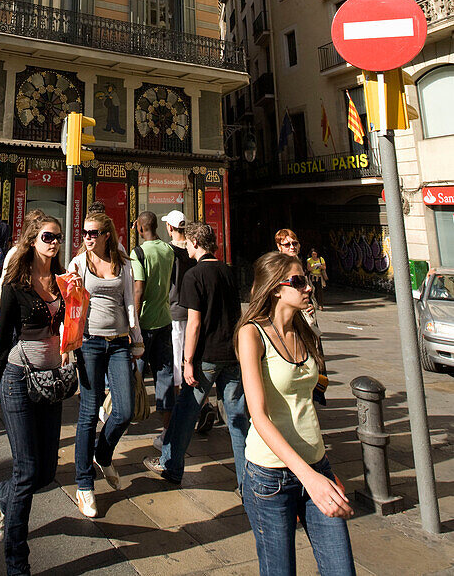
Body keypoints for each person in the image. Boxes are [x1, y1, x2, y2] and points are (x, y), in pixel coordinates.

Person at [236, 252, 356, 576]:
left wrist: (322, 469)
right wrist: (309, 478)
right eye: (299, 282)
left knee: (342, 569)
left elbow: (309, 401)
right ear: (275, 288)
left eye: (307, 281)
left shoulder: (304, 328)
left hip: (317, 466)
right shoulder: (252, 334)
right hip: (270, 477)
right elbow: (258, 416)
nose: (308, 288)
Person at [0, 215, 69, 576]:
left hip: (50, 378)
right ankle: (17, 562)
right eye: (48, 236)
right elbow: (1, 340)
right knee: (28, 468)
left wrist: (79, 298)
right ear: (33, 240)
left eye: (59, 237)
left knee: (46, 472)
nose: (54, 242)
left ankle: (5, 493)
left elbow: (73, 324)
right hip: (18, 377)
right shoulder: (17, 283)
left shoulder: (63, 281)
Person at [144, 222, 248, 491]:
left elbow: (194, 323)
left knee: (185, 413)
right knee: (237, 421)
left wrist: (188, 360)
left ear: (194, 242)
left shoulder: (194, 275)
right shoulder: (227, 271)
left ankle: (170, 464)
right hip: (232, 354)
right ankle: (248, 483)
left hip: (206, 357)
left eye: (188, 243)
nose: (186, 247)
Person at [67, 204, 143, 518]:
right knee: (88, 412)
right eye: (83, 233)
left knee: (124, 411)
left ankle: (104, 453)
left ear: (106, 235)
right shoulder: (78, 263)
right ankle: (84, 483)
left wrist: (136, 339)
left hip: (119, 343)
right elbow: (70, 307)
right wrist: (68, 343)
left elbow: (128, 301)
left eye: (92, 233)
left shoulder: (122, 262)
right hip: (89, 343)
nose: (86, 237)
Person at [131, 211, 175, 444]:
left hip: (145, 322)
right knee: (164, 373)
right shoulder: (168, 250)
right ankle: (167, 427)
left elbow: (138, 289)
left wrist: (133, 322)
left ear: (139, 227)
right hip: (164, 319)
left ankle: (124, 415)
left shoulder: (138, 253)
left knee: (134, 371)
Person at [162, 210, 192, 393]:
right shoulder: (192, 249)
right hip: (193, 308)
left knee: (175, 351)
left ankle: (177, 388)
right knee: (190, 350)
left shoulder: (168, 251)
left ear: (170, 227)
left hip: (173, 307)